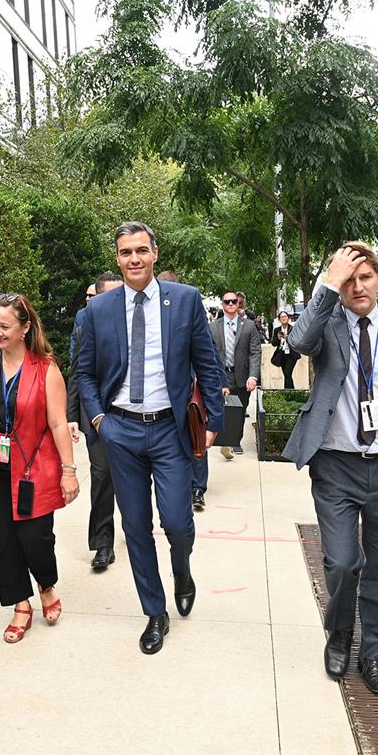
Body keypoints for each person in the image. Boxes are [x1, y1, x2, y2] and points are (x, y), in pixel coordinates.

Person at [283, 242, 378, 696]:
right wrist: (328, 282)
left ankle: (373, 652)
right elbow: (298, 343)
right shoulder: (327, 325)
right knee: (343, 562)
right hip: (335, 466)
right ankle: (340, 634)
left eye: (364, 277)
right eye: (348, 279)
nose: (357, 286)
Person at [76, 221, 224, 654]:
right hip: (120, 429)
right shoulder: (99, 311)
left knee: (178, 523)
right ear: (117, 258)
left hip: (170, 430)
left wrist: (213, 418)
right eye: (125, 253)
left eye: (141, 250)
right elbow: (84, 372)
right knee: (135, 526)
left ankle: (182, 568)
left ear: (155, 253)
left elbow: (206, 362)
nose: (134, 259)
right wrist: (100, 419)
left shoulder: (184, 300)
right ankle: (154, 612)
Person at [0, 293, 80, 643]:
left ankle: (46, 584)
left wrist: (68, 470)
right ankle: (20, 604)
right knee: (2, 538)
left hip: (34, 467)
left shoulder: (46, 370)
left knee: (35, 537)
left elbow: (59, 424)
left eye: (5, 326)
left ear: (25, 327)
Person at [68, 273, 124, 570]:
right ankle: (102, 544)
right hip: (98, 417)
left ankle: (133, 523)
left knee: (131, 479)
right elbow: (78, 371)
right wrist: (73, 416)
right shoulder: (86, 326)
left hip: (135, 418)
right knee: (102, 477)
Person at [158, 270, 213, 512]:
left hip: (189, 393)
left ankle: (198, 488)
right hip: (161, 402)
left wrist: (213, 389)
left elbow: (208, 354)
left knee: (196, 439)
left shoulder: (188, 310)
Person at [210, 290, 262, 458]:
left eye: (234, 301)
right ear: (222, 305)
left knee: (240, 410)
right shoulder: (213, 327)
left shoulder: (248, 326)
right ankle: (225, 441)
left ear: (238, 304)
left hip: (242, 375)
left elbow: (255, 352)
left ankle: (234, 440)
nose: (231, 304)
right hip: (221, 375)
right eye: (227, 301)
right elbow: (208, 354)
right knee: (221, 409)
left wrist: (253, 376)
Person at [270, 311, 299, 389]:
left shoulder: (292, 328)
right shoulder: (277, 330)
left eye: (285, 316)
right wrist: (278, 338)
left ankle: (288, 393)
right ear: (279, 319)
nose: (283, 318)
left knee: (287, 372)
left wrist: (287, 338)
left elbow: (296, 341)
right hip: (282, 354)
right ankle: (290, 392)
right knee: (286, 375)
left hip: (291, 354)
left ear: (288, 318)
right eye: (281, 317)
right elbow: (273, 343)